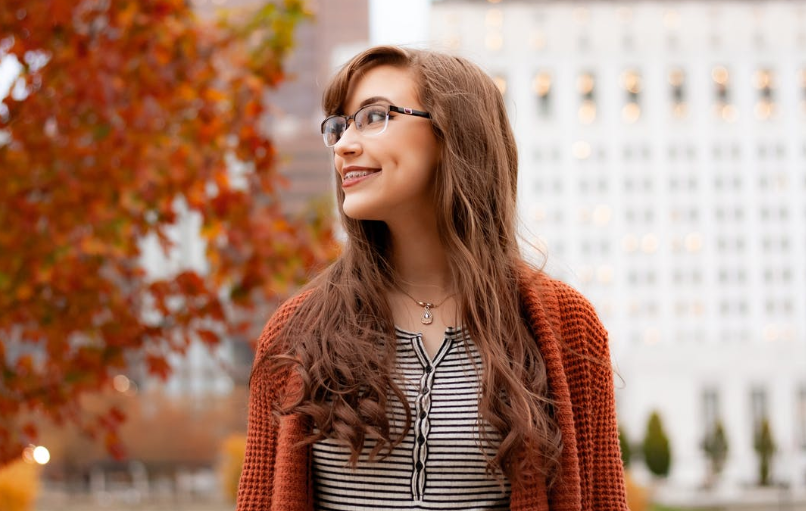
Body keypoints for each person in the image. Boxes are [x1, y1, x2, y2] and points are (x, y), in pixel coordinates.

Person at [236, 45, 627, 511]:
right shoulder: (294, 330)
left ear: (451, 135)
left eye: (373, 117)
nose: (343, 145)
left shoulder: (566, 325)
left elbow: (603, 499)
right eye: (339, 127)